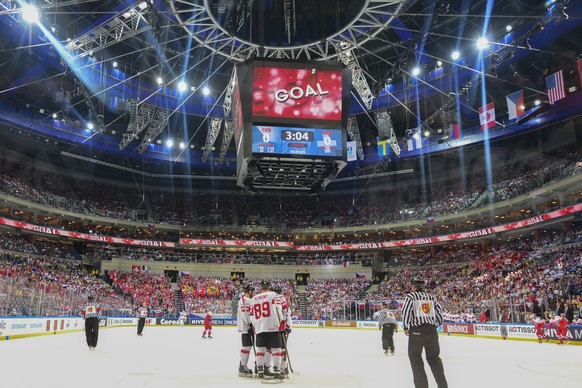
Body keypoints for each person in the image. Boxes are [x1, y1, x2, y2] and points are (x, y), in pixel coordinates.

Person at [402, 279, 448, 388]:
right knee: (434, 358)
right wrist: (434, 325)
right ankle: (443, 386)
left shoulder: (411, 297)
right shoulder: (431, 297)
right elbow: (440, 313)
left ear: (413, 287)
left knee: (415, 358)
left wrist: (405, 327)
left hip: (417, 331)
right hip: (431, 331)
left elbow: (406, 312)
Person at [250, 279, 285, 381]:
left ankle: (260, 370)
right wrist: (281, 322)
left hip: (260, 327)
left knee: (260, 350)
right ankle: (277, 370)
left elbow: (251, 315)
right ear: (269, 286)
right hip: (272, 326)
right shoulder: (273, 294)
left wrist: (256, 325)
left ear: (261, 287)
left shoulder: (254, 298)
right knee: (276, 350)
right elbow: (278, 309)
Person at [237, 283, 255, 377]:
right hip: (246, 327)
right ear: (249, 291)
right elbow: (245, 314)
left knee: (248, 346)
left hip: (247, 327)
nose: (254, 293)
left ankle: (243, 365)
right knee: (247, 347)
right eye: (253, 291)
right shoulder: (245, 300)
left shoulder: (247, 300)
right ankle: (243, 366)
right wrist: (250, 325)